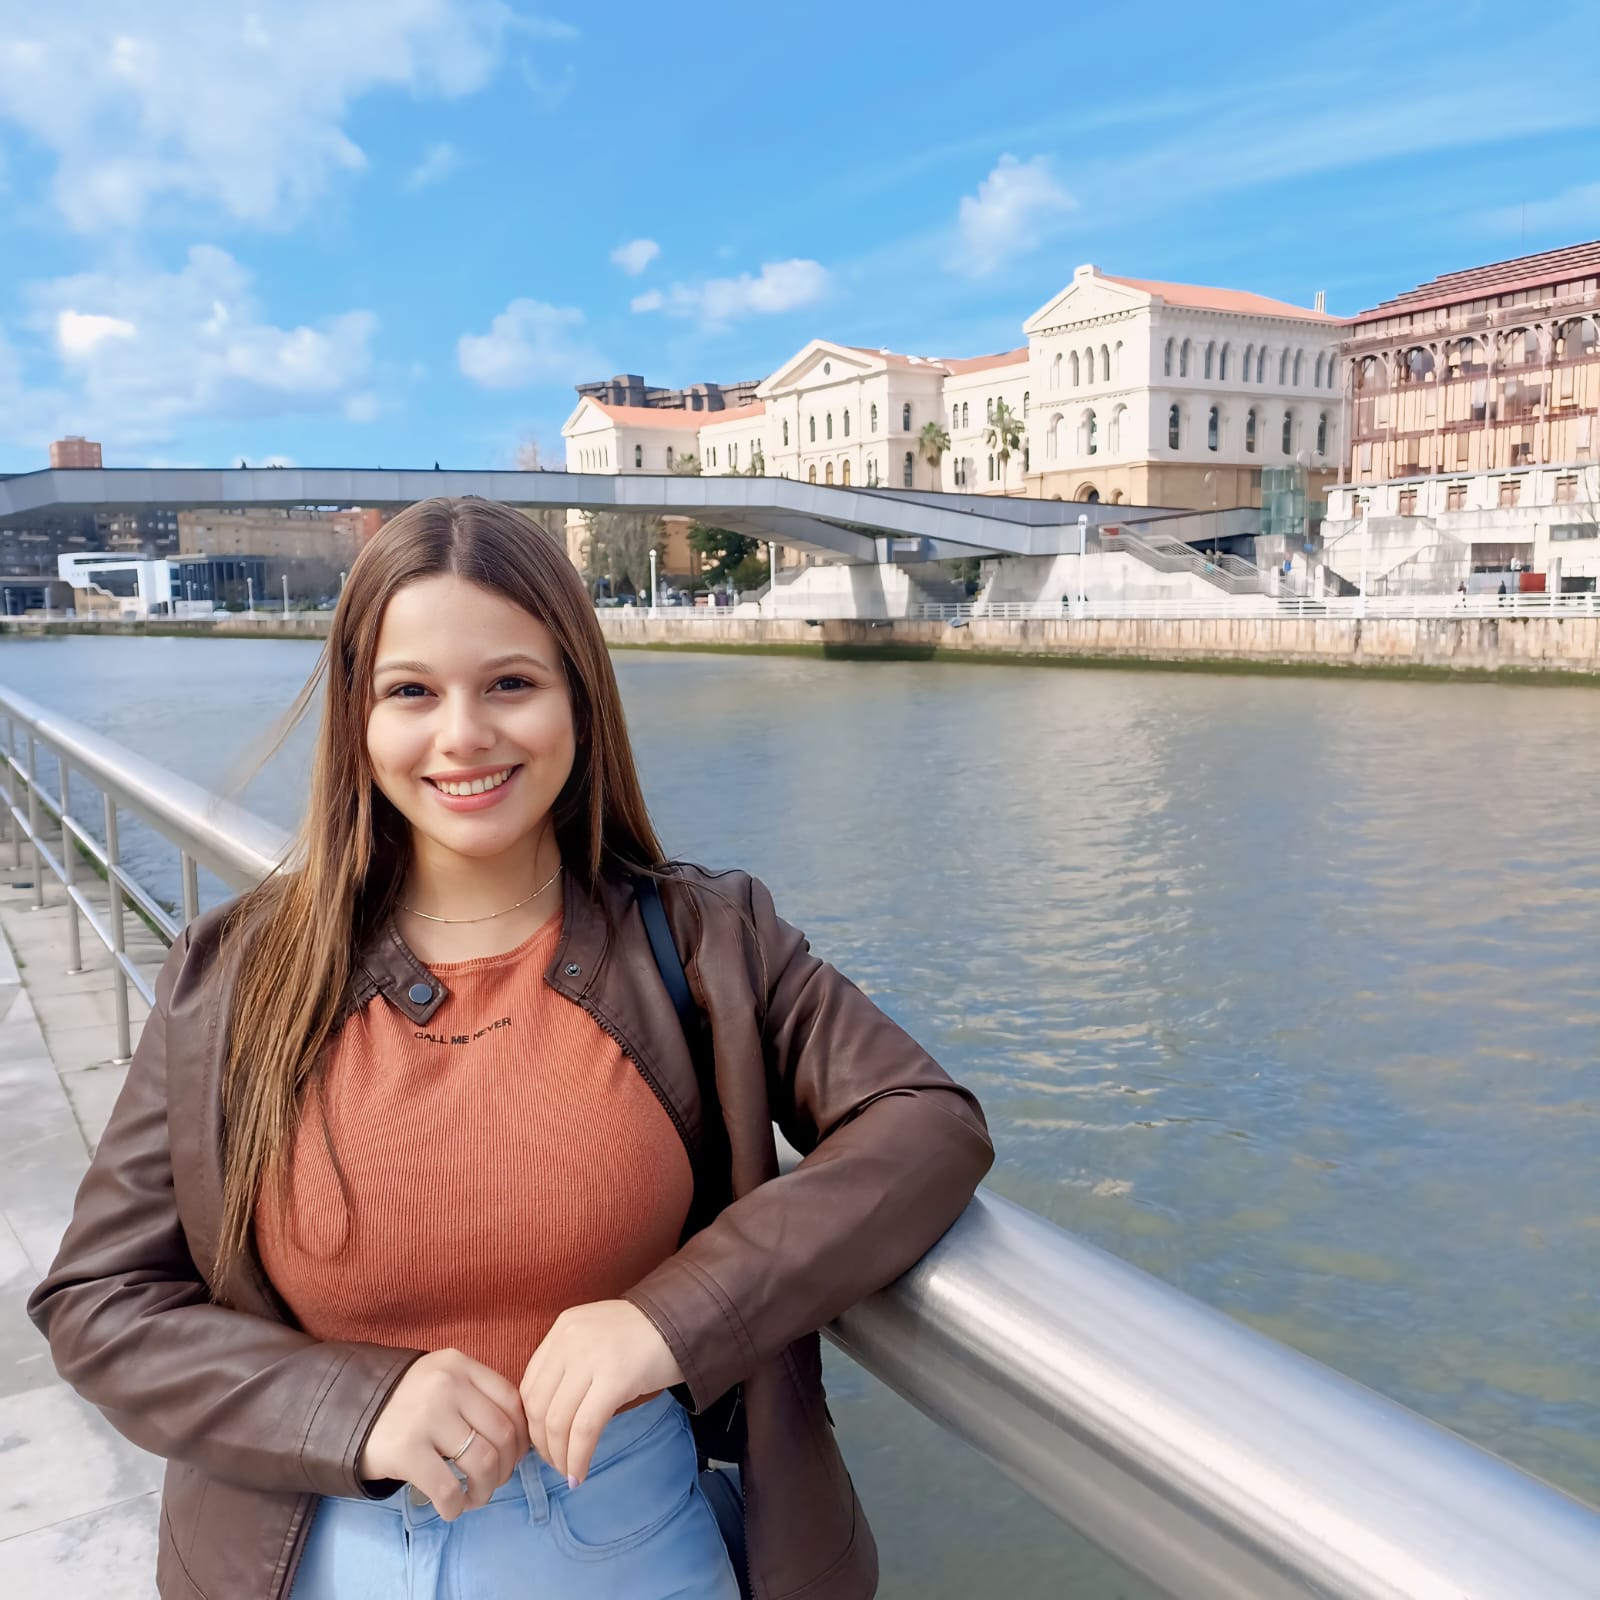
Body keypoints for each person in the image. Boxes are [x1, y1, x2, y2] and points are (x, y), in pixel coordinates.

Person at [28, 497, 993, 1600]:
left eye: (509, 684)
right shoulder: (239, 975)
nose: (462, 735)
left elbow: (922, 1119)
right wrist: (352, 1404)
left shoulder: (704, 941)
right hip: (312, 1551)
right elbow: (100, 1299)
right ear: (358, 716)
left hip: (632, 1540)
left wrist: (671, 1315)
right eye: (411, 692)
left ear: (578, 696)